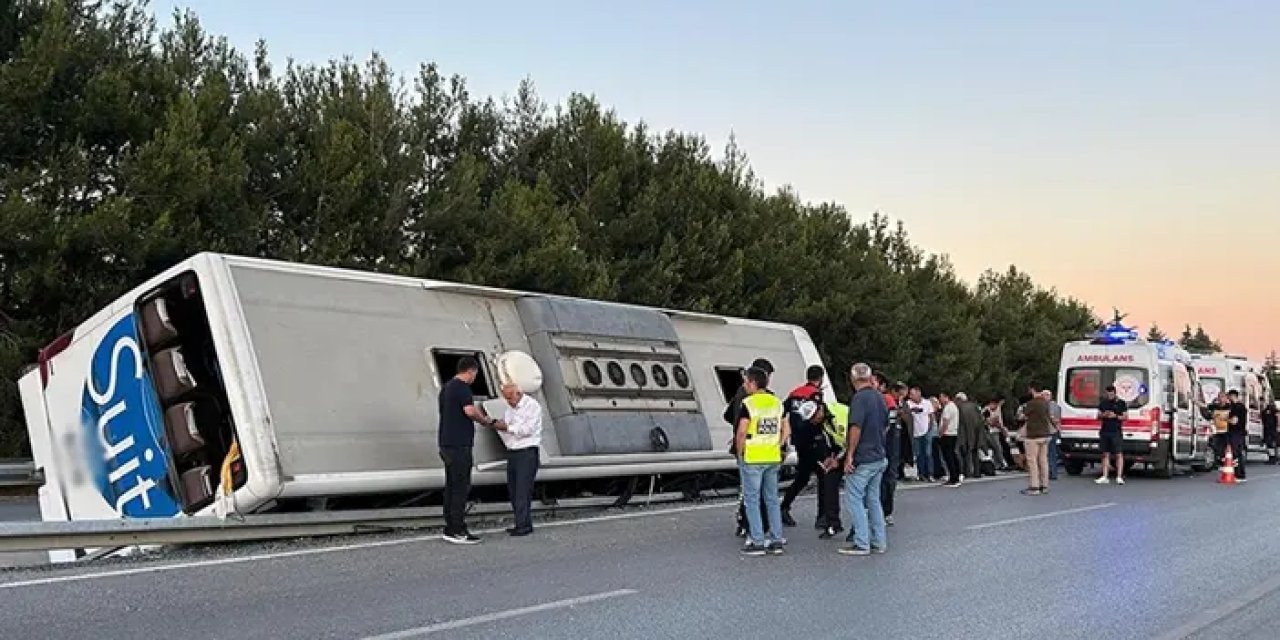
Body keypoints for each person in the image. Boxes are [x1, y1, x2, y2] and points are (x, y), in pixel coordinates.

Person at [438, 357, 502, 545]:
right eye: (475, 374)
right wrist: (487, 421)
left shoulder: (446, 388)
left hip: (446, 443)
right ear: (471, 371)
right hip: (460, 444)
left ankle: (450, 526)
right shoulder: (462, 388)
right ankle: (458, 529)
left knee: (451, 486)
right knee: (461, 486)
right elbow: (470, 411)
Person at [734, 366, 790, 556]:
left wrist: (740, 453)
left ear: (752, 383)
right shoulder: (777, 403)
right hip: (772, 457)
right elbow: (786, 429)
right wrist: (778, 445)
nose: (744, 385)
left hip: (752, 457)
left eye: (746, 382)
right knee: (772, 499)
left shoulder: (748, 403)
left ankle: (757, 541)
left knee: (752, 500)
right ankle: (776, 540)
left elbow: (742, 431)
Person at [839, 363, 889, 556]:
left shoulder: (859, 399)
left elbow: (856, 427)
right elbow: (885, 424)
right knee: (873, 500)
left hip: (864, 456)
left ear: (853, 379)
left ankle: (861, 542)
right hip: (878, 455)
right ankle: (879, 541)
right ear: (869, 377)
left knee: (854, 498)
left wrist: (850, 455)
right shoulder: (879, 397)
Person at [726, 358, 775, 538]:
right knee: (762, 494)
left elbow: (727, 415)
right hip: (762, 448)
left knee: (747, 490)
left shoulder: (739, 394)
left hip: (745, 446)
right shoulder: (767, 398)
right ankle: (759, 529)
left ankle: (745, 524)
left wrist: (737, 438)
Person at [494, 381, 542, 537]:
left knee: (522, 489)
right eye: (506, 398)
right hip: (513, 451)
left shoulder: (532, 406)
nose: (509, 401)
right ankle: (521, 522)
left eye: (510, 397)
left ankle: (523, 525)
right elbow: (507, 424)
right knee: (514, 489)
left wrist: (507, 428)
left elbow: (527, 429)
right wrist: (498, 424)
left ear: (519, 394)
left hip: (527, 451)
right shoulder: (510, 409)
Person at [781, 365, 827, 528]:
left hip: (799, 441)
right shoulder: (815, 394)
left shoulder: (795, 393)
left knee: (802, 477)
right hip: (814, 440)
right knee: (823, 476)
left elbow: (782, 411)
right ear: (820, 379)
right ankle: (822, 516)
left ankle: (784, 506)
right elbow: (819, 416)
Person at [804, 399, 846, 539]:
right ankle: (833, 523)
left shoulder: (838, 416)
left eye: (813, 418)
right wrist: (829, 457)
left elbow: (851, 440)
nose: (813, 422)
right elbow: (832, 440)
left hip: (857, 448)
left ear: (819, 411)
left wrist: (838, 460)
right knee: (829, 482)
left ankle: (860, 529)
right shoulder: (824, 420)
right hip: (841, 449)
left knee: (857, 492)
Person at [877, 374, 903, 526]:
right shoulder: (880, 399)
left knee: (886, 478)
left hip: (888, 444)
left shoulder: (886, 399)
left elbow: (889, 425)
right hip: (887, 444)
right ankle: (884, 511)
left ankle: (885, 511)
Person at [1021, 386, 1053, 495]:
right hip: (1045, 434)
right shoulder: (1045, 403)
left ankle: (1034, 486)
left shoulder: (1031, 403)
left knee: (1032, 461)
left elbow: (1022, 415)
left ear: (1033, 390)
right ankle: (1044, 485)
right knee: (1043, 460)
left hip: (1033, 435)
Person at [1095, 385, 1129, 485]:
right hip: (1105, 431)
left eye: (1111, 393)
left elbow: (1125, 417)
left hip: (1116, 431)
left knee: (1118, 454)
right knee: (1105, 454)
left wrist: (1116, 416)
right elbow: (1098, 416)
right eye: (1108, 393)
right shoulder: (1103, 403)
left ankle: (1119, 476)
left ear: (1115, 393)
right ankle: (1105, 476)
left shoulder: (1121, 403)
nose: (1110, 395)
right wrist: (1104, 415)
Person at [956, 392, 988, 480]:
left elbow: (960, 422)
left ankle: (967, 471)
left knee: (965, 452)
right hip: (976, 431)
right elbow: (981, 419)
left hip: (965, 433)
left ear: (959, 399)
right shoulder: (974, 406)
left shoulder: (960, 407)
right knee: (975, 452)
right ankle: (977, 472)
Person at [907, 387, 935, 483]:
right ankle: (921, 474)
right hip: (915, 432)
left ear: (918, 394)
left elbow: (931, 416)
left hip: (926, 430)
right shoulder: (909, 404)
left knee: (928, 453)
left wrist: (930, 428)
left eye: (912, 394)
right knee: (919, 454)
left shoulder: (927, 403)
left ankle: (930, 474)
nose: (911, 396)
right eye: (910, 394)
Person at [938, 392, 962, 487]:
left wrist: (941, 433)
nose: (940, 399)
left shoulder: (948, 408)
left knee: (948, 457)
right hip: (953, 433)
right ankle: (957, 475)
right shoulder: (954, 406)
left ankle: (953, 478)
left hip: (947, 434)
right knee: (952, 455)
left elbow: (945, 422)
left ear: (946, 397)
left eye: (941, 397)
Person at [1226, 390, 1249, 482]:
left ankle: (1239, 475)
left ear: (1233, 396)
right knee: (1237, 454)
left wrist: (1224, 419)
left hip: (1236, 433)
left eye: (1229, 396)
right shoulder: (1238, 406)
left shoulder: (1237, 407)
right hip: (1238, 433)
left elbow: (1234, 421)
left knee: (1236, 454)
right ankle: (1239, 474)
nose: (1228, 398)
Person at [1043, 389, 1063, 481]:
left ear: (1049, 396)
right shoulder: (1053, 405)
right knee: (1050, 453)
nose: (1043, 397)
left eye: (1045, 395)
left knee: (1050, 453)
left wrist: (1056, 426)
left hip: (1050, 431)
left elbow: (1055, 419)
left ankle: (1052, 472)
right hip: (1049, 431)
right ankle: (1050, 472)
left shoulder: (1052, 406)